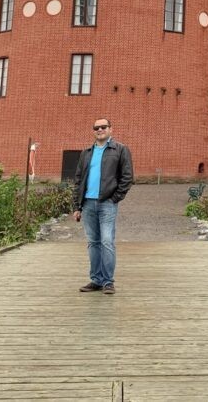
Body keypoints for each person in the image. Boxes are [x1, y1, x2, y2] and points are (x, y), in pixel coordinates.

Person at [72, 117, 133, 295]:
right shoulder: (86, 153)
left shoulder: (120, 149)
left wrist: (115, 198)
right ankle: (96, 280)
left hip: (107, 203)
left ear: (110, 129)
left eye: (103, 127)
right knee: (93, 243)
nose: (99, 130)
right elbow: (78, 180)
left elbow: (127, 177)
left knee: (106, 242)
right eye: (96, 127)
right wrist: (76, 206)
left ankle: (108, 282)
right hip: (88, 204)